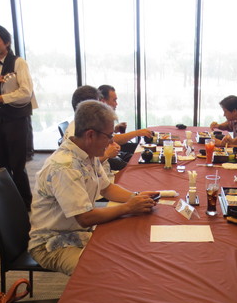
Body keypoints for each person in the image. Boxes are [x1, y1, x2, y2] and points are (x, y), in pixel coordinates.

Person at [28, 100, 159, 276]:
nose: (112, 141)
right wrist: (128, 207)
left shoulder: (88, 154)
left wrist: (135, 197)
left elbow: (107, 189)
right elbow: (85, 217)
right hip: (52, 244)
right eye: (109, 136)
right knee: (105, 273)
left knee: (131, 249)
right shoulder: (65, 167)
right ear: (90, 135)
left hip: (78, 233)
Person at [0, 24, 36, 210]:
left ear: (6, 42)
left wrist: (1, 98)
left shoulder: (19, 62)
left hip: (17, 119)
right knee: (1, 161)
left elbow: (26, 92)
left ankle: (25, 203)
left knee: (17, 163)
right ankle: (10, 200)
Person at [63, 85, 121, 176]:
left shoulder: (91, 151)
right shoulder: (67, 169)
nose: (102, 106)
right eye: (99, 104)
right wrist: (107, 154)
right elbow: (83, 170)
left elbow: (104, 183)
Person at [98, 84, 153, 149]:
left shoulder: (104, 116)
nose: (116, 104)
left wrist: (115, 130)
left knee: (142, 148)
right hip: (108, 152)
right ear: (103, 102)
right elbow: (113, 139)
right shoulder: (96, 118)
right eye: (114, 100)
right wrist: (137, 133)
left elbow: (105, 135)